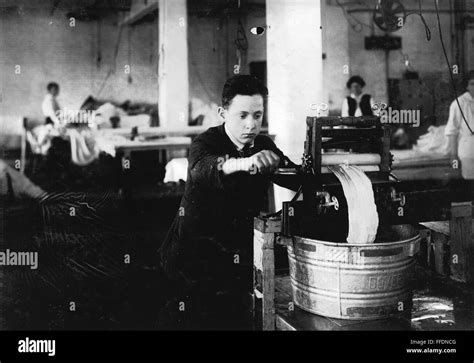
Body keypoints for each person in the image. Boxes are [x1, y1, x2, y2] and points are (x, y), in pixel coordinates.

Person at [158, 75, 299, 329]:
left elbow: (295, 177)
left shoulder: (265, 145)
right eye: (242, 115)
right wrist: (247, 163)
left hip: (236, 254)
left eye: (258, 116)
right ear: (223, 113)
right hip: (192, 258)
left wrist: (338, 172)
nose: (251, 124)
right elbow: (203, 169)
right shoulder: (205, 142)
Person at [445, 71, 474, 179]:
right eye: (472, 84)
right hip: (469, 151)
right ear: (467, 86)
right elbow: (452, 131)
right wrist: (453, 155)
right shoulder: (459, 103)